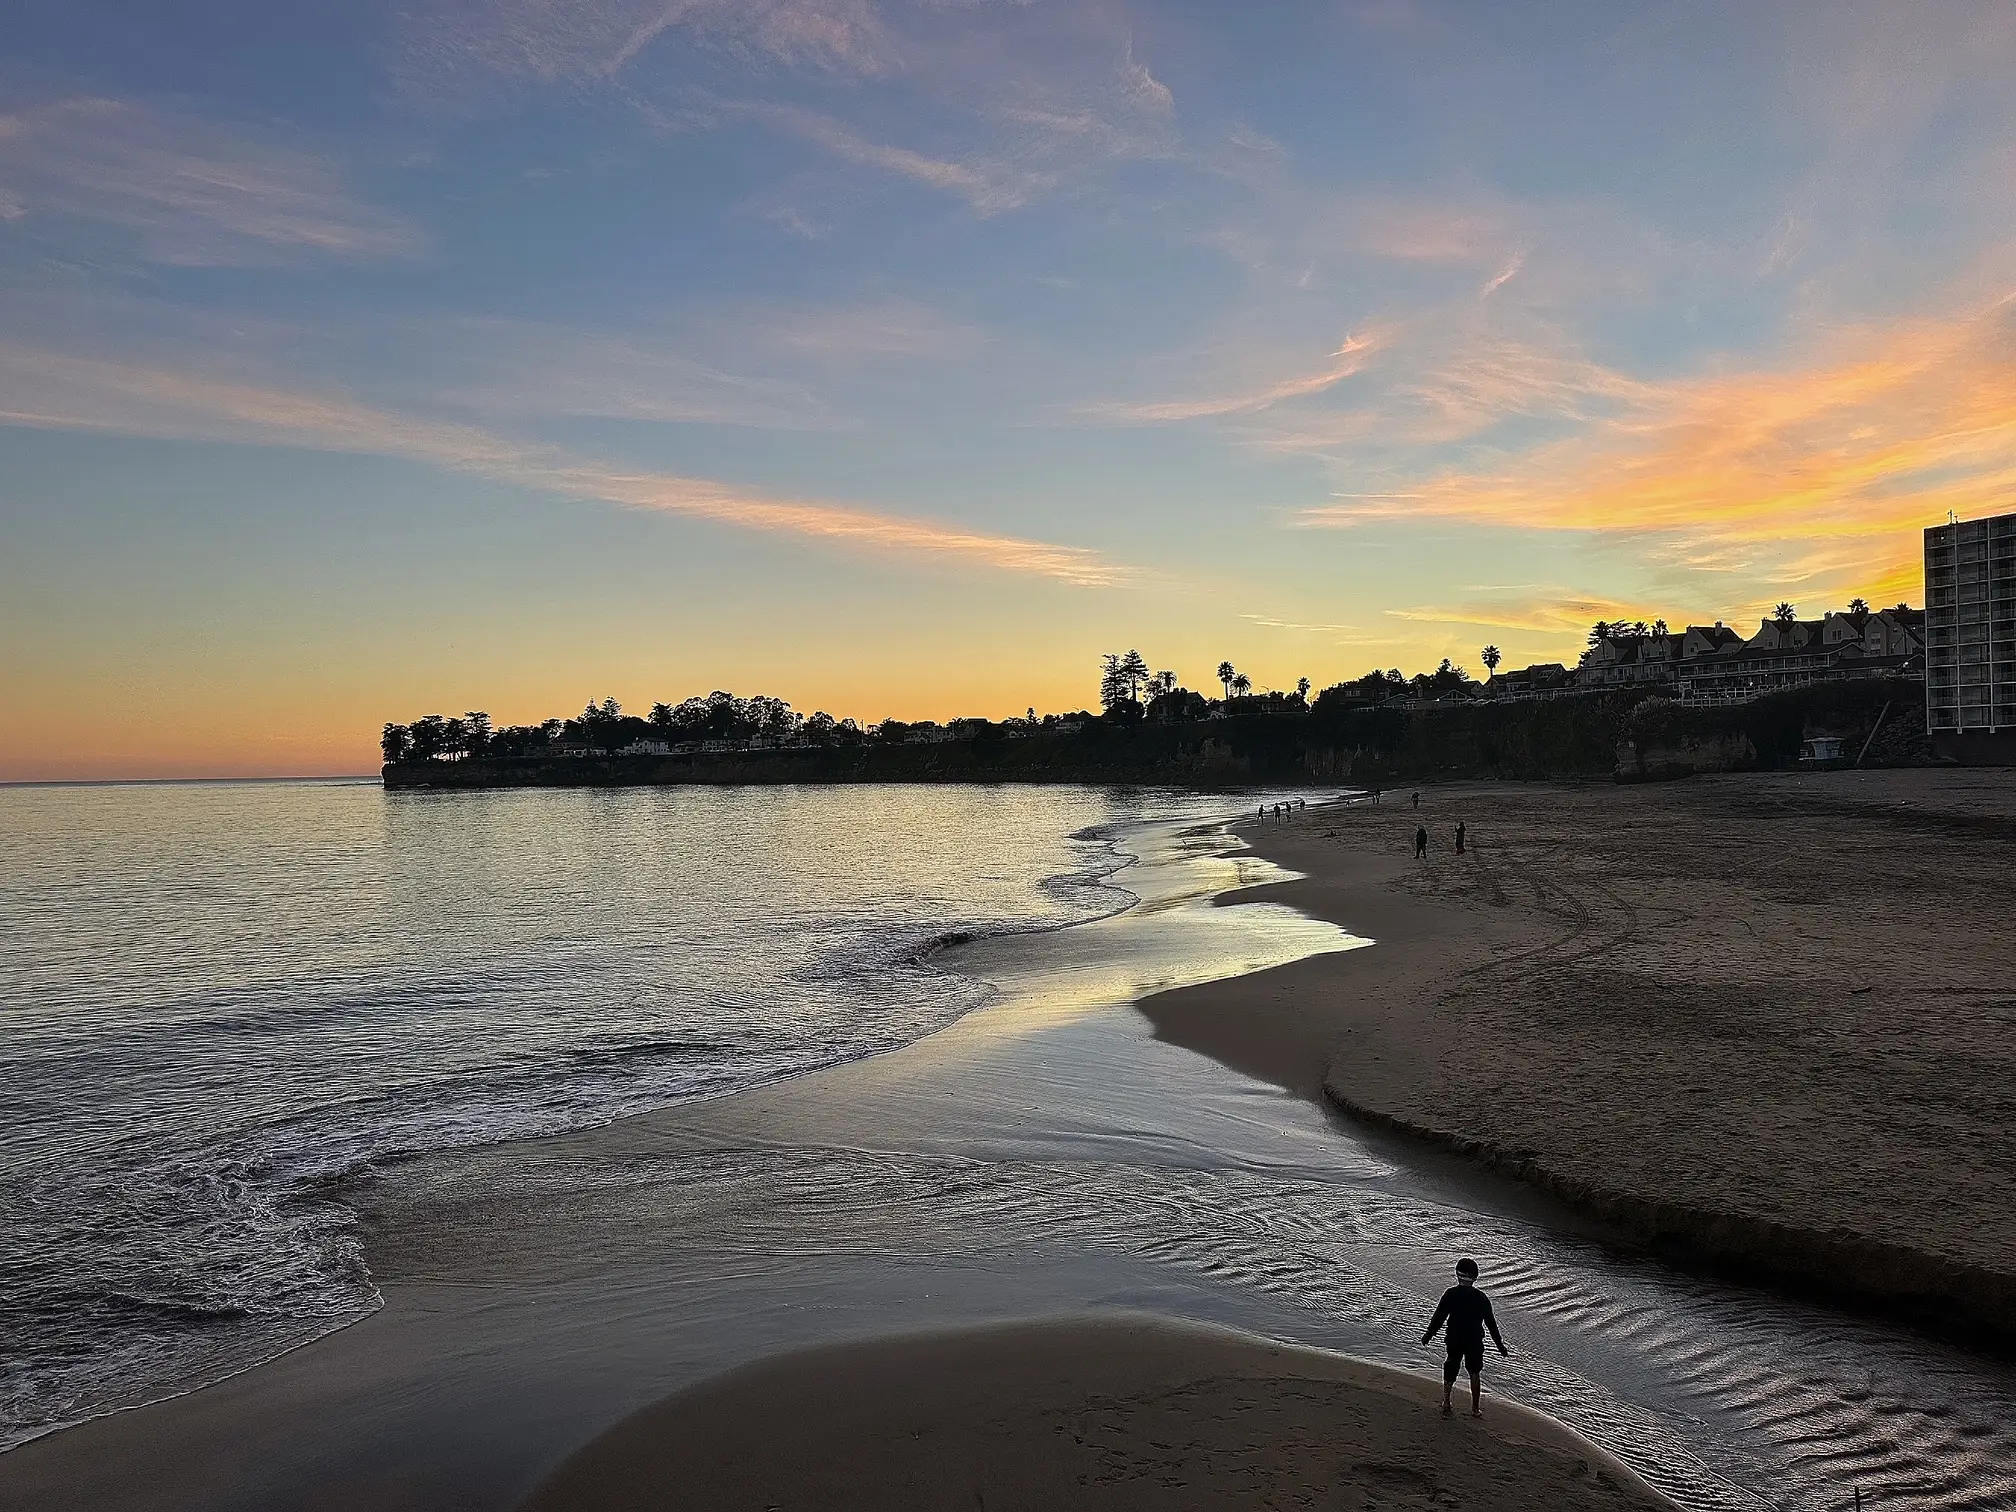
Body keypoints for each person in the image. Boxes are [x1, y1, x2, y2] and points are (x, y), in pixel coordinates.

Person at [1422, 1257, 1508, 1417]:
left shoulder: (1450, 1294)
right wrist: (1500, 1346)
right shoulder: (1482, 1298)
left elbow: (1438, 1317)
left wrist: (1429, 1334)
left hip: (1454, 1337)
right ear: (1475, 1277)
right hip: (1474, 1340)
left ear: (1457, 1275)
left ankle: (1446, 1402)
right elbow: (1491, 1325)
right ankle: (1475, 1408)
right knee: (1474, 1372)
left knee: (1451, 1365)